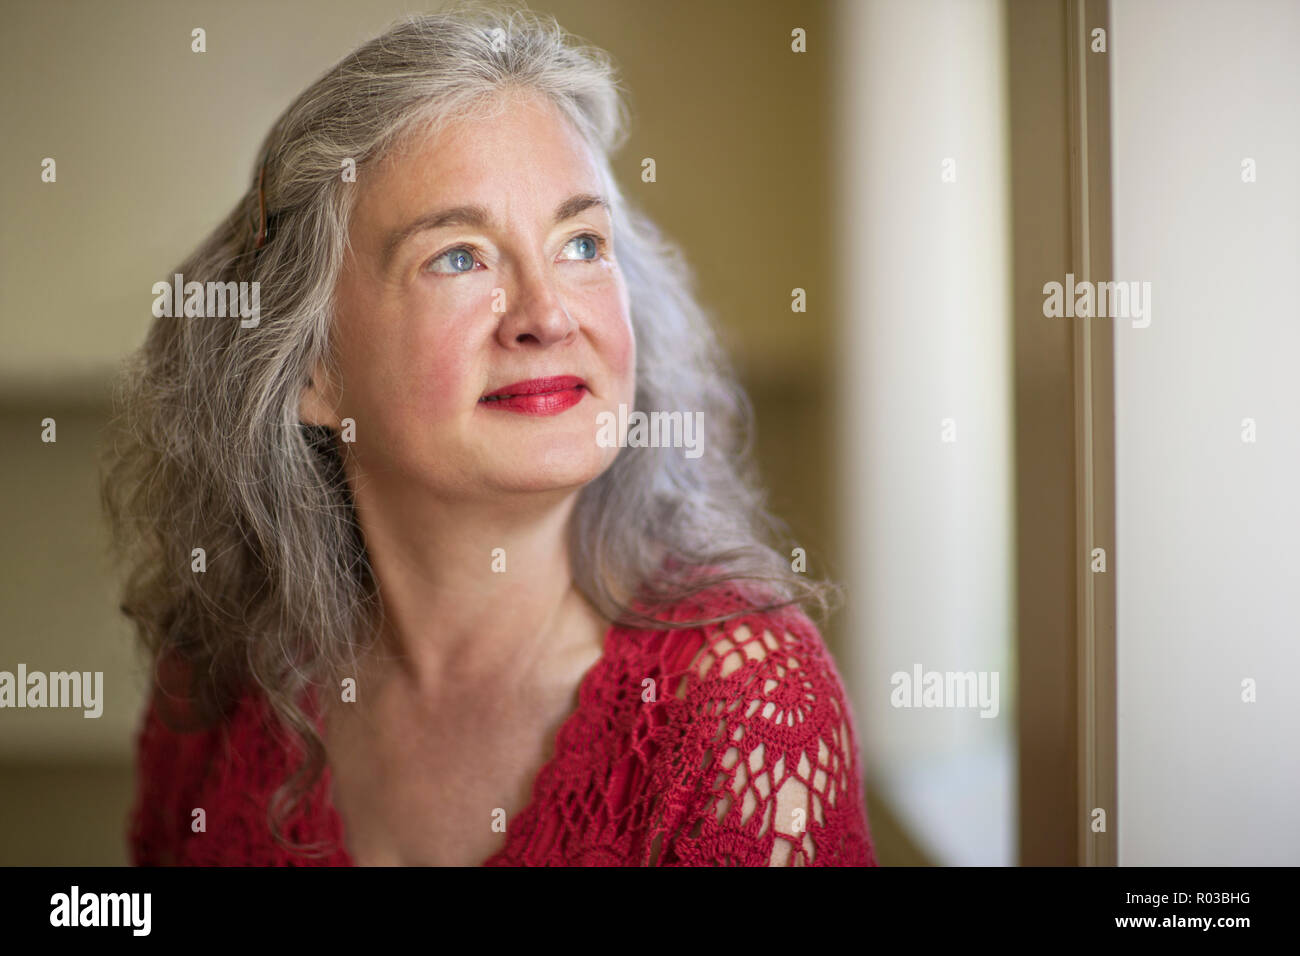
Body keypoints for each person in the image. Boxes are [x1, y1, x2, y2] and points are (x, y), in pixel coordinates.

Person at [102, 4, 878, 867]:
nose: (548, 316)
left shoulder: (740, 714)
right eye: (460, 257)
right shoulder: (220, 677)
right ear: (311, 368)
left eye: (582, 243)